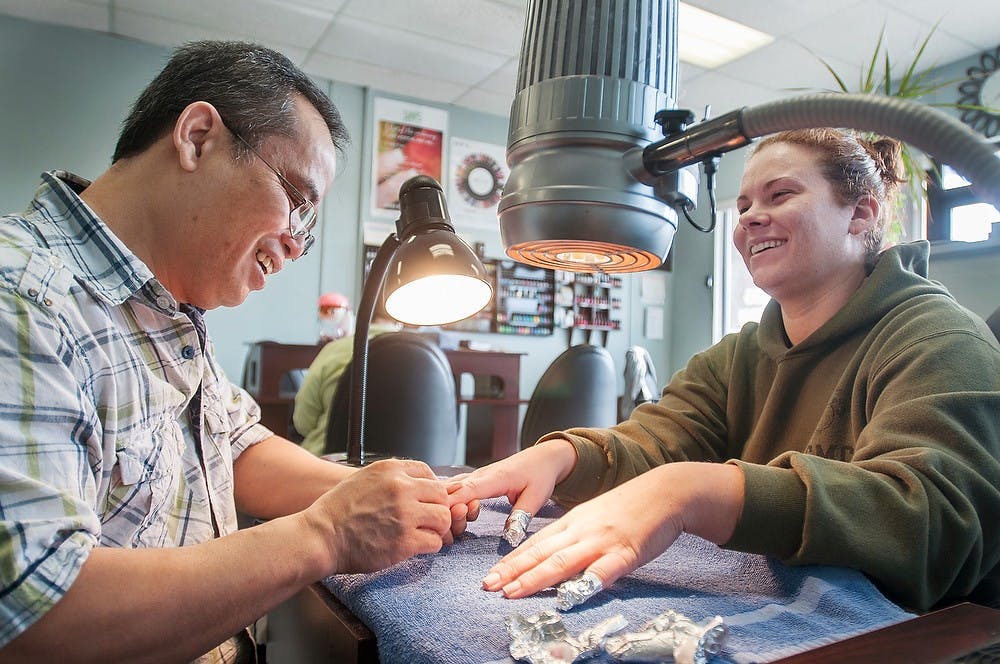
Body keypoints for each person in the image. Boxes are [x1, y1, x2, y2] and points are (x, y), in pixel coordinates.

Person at [0, 41, 459, 662]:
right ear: (195, 138)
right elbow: (37, 618)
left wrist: (390, 496)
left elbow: (236, 446)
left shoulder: (166, 309)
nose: (295, 248)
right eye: (296, 200)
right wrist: (326, 533)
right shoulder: (22, 296)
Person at [448, 128, 1000, 613]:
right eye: (744, 203)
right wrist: (563, 455)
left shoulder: (939, 342)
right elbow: (657, 443)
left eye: (780, 194)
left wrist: (693, 491)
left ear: (861, 213)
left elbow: (934, 527)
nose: (751, 217)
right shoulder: (738, 356)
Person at [294, 296, 402, 455]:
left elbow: (303, 423)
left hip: (331, 468)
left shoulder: (334, 351)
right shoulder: (428, 356)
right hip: (412, 471)